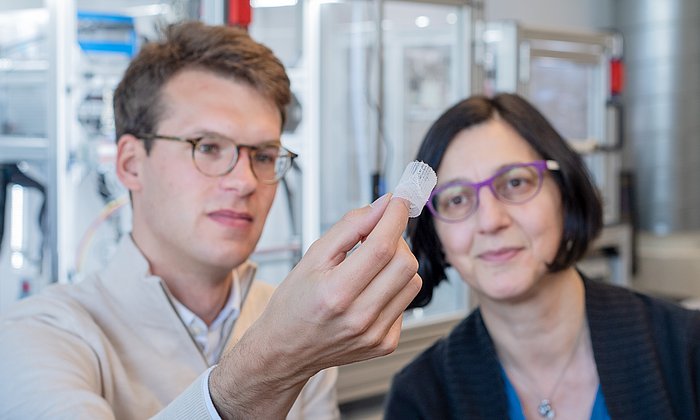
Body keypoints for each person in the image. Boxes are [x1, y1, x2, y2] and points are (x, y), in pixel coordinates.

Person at [0, 21, 422, 419]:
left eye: (262, 155)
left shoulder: (293, 315)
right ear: (130, 163)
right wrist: (275, 360)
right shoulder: (39, 336)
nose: (243, 181)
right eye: (207, 147)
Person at [384, 93, 700, 419]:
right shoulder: (421, 398)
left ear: (564, 192)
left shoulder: (687, 351)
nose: (491, 221)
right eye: (457, 199)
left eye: (516, 182)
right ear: (436, 236)